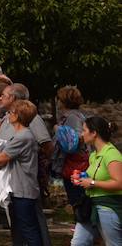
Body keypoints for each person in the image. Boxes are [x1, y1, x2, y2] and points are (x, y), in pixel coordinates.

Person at [0, 99, 43, 246]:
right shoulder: (25, 135)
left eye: (10, 112)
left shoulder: (22, 137)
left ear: (17, 115)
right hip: (22, 189)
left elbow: (0, 160)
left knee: (28, 230)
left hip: (22, 190)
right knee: (20, 231)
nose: (8, 115)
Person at [70, 116, 122, 246]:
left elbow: (119, 183)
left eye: (84, 130)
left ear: (94, 133)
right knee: (78, 243)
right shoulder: (93, 155)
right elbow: (94, 176)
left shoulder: (112, 155)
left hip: (108, 207)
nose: (81, 134)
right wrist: (81, 178)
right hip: (90, 206)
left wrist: (92, 183)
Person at [54, 85, 90, 226]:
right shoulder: (78, 115)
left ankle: (83, 230)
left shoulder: (72, 118)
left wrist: (58, 130)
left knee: (78, 201)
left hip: (74, 165)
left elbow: (72, 142)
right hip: (76, 164)